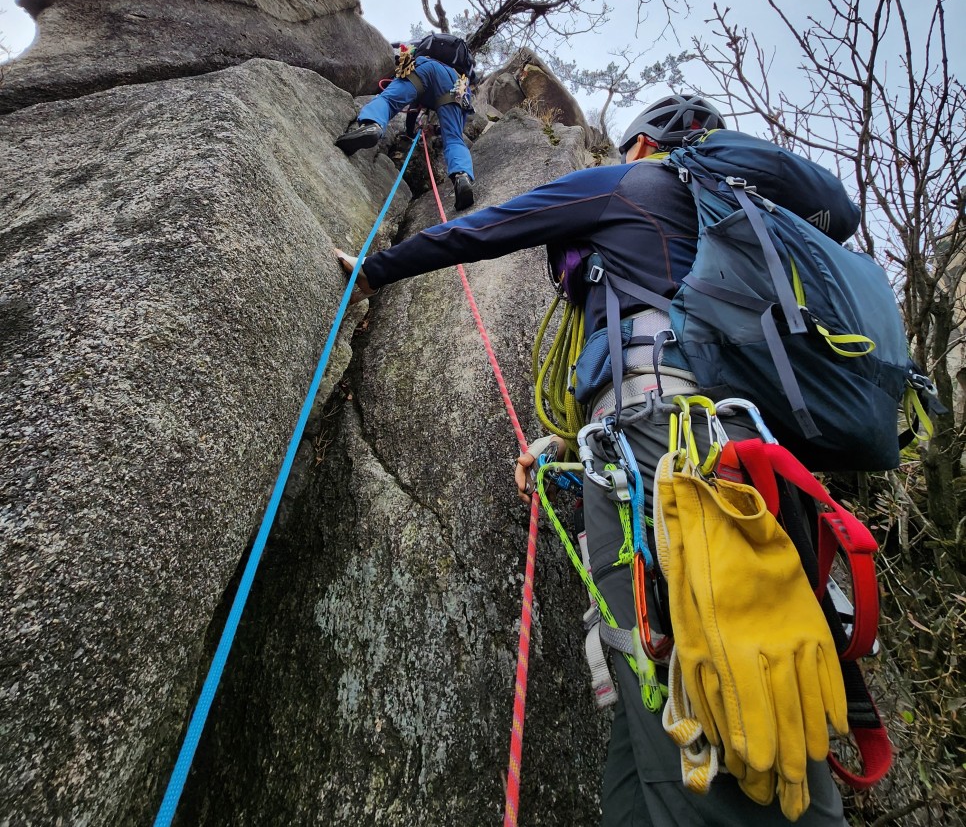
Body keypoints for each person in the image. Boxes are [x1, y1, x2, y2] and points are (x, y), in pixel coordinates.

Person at [337, 90, 851, 827]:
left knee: (711, 727)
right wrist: (573, 445)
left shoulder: (630, 183)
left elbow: (486, 227)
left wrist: (377, 269)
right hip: (753, 460)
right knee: (669, 731)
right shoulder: (749, 228)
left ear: (643, 143)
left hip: (663, 461)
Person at [335, 39, 476, 211]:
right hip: (455, 83)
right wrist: (437, 130)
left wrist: (410, 131)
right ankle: (462, 176)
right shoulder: (462, 72)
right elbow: (454, 128)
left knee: (388, 100)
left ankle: (373, 125)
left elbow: (413, 111)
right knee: (454, 139)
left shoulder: (426, 52)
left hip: (422, 67)